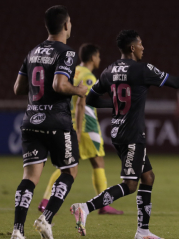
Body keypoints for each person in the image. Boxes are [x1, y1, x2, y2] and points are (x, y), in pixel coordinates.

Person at [70, 29, 179, 239]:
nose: (143, 48)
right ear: (132, 47)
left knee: (148, 177)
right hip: (131, 134)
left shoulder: (109, 70)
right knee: (130, 184)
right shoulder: (143, 69)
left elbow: (92, 99)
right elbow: (176, 83)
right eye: (141, 44)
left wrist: (114, 106)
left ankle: (143, 231)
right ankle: (85, 207)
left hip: (118, 130)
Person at [10, 5, 88, 239]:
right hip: (57, 122)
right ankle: (46, 218)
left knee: (29, 179)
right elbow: (59, 84)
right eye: (71, 23)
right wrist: (78, 90)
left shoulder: (33, 52)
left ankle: (17, 231)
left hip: (31, 121)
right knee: (70, 170)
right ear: (66, 25)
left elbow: (17, 89)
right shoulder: (67, 53)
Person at [38, 44, 123, 215]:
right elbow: (83, 101)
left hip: (67, 121)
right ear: (93, 58)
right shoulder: (89, 77)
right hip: (86, 125)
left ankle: (46, 200)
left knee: (67, 166)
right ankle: (103, 204)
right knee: (97, 161)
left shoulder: (71, 72)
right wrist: (79, 128)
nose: (99, 59)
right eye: (98, 56)